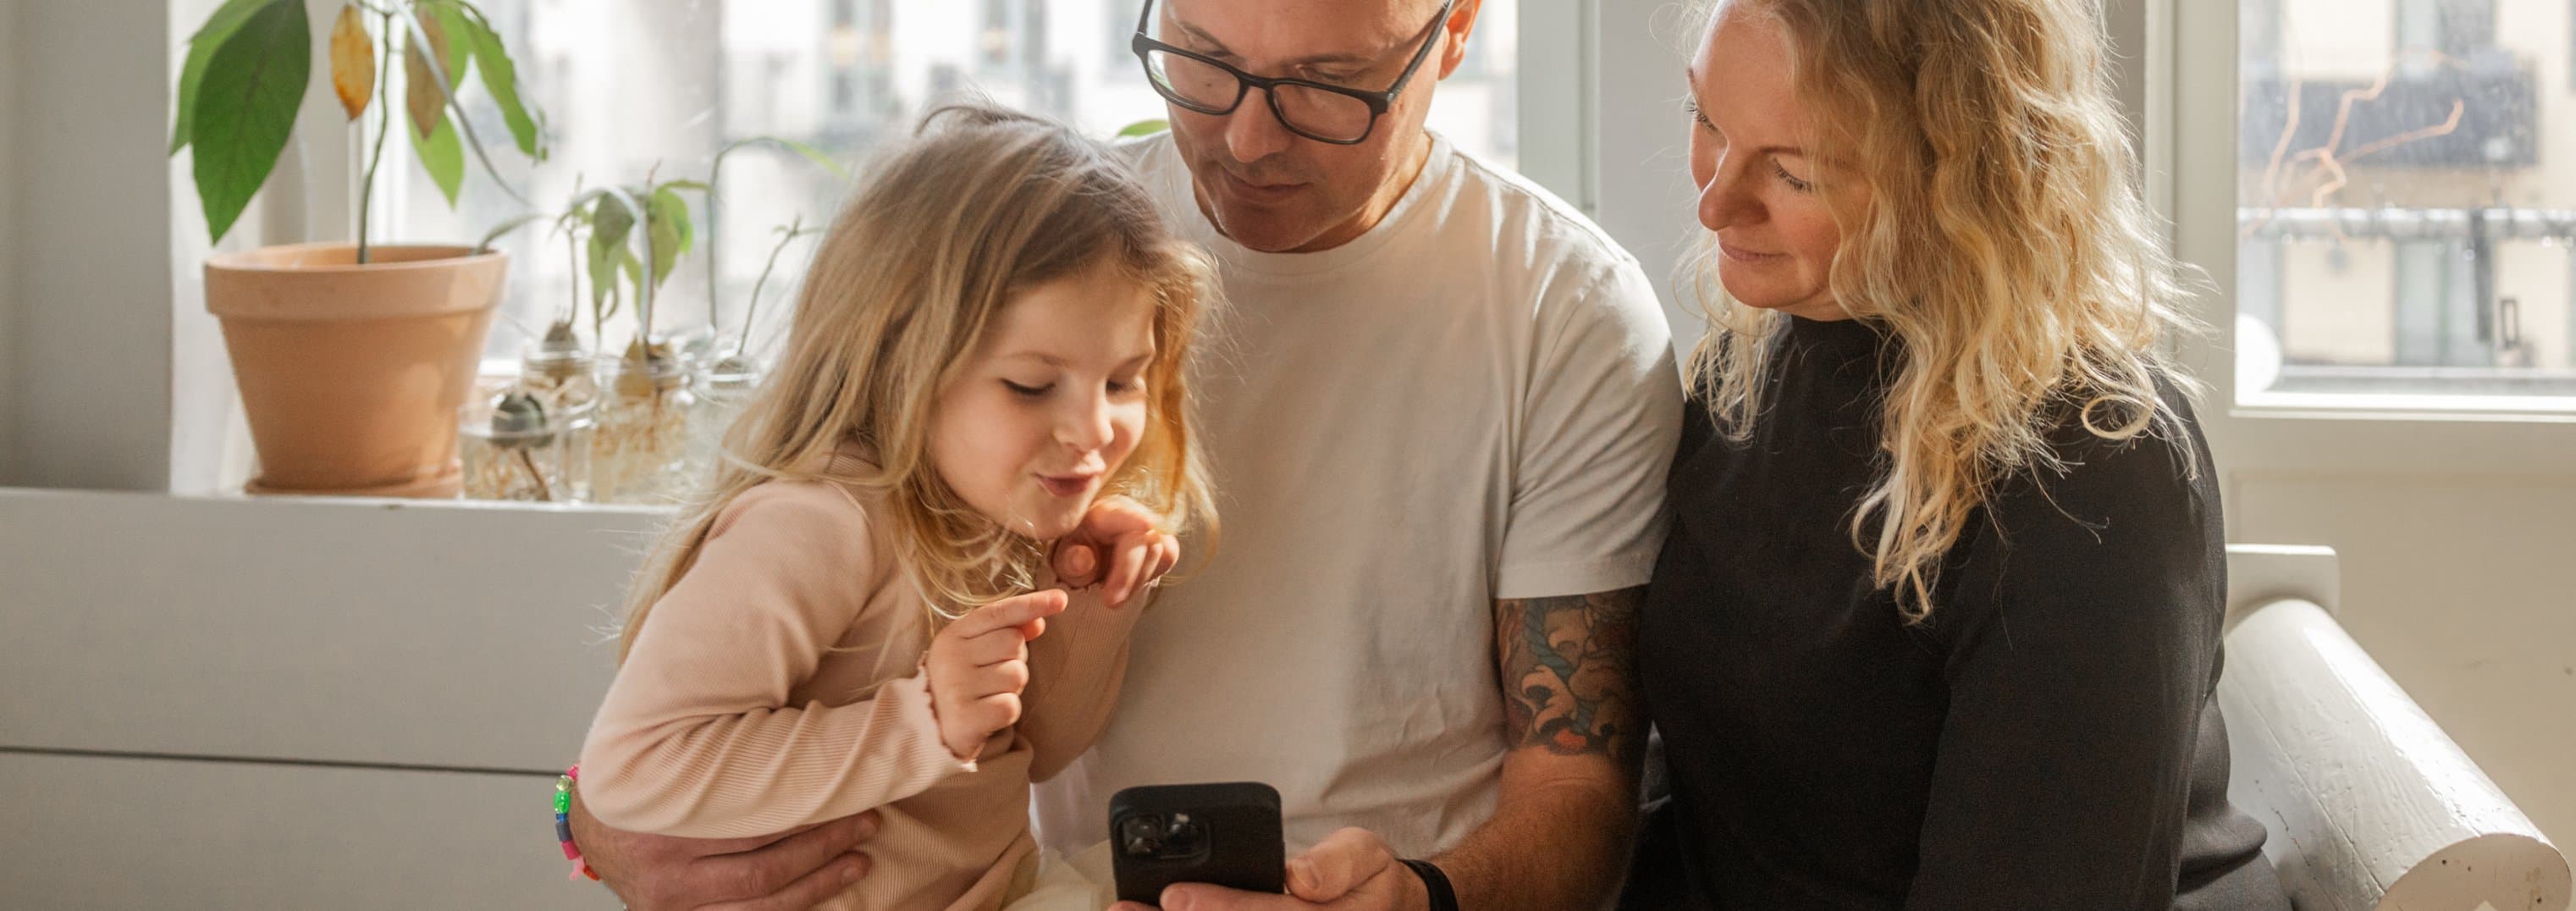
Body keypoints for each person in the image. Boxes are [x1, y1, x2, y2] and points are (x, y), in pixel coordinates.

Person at [566, 1, 1685, 908]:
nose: (1246, 138)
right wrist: (597, 832)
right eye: (1198, 61)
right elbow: (677, 711)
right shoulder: (1035, 237)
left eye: (1325, 84)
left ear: (1453, 30)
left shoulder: (1563, 311)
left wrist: (1423, 899)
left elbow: (1578, 781)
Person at [1626, 1, 2290, 908]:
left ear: (1955, 178)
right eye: (1706, 117)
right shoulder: (1740, 375)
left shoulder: (2088, 467)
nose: (1713, 199)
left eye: (1794, 172)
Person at [573, 105, 1213, 911]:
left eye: (1122, 381)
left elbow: (1036, 754)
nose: (1094, 428)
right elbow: (635, 766)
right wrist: (921, 722)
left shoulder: (990, 504)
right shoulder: (821, 524)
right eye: (1029, 385)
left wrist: (1092, 606)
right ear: (899, 361)